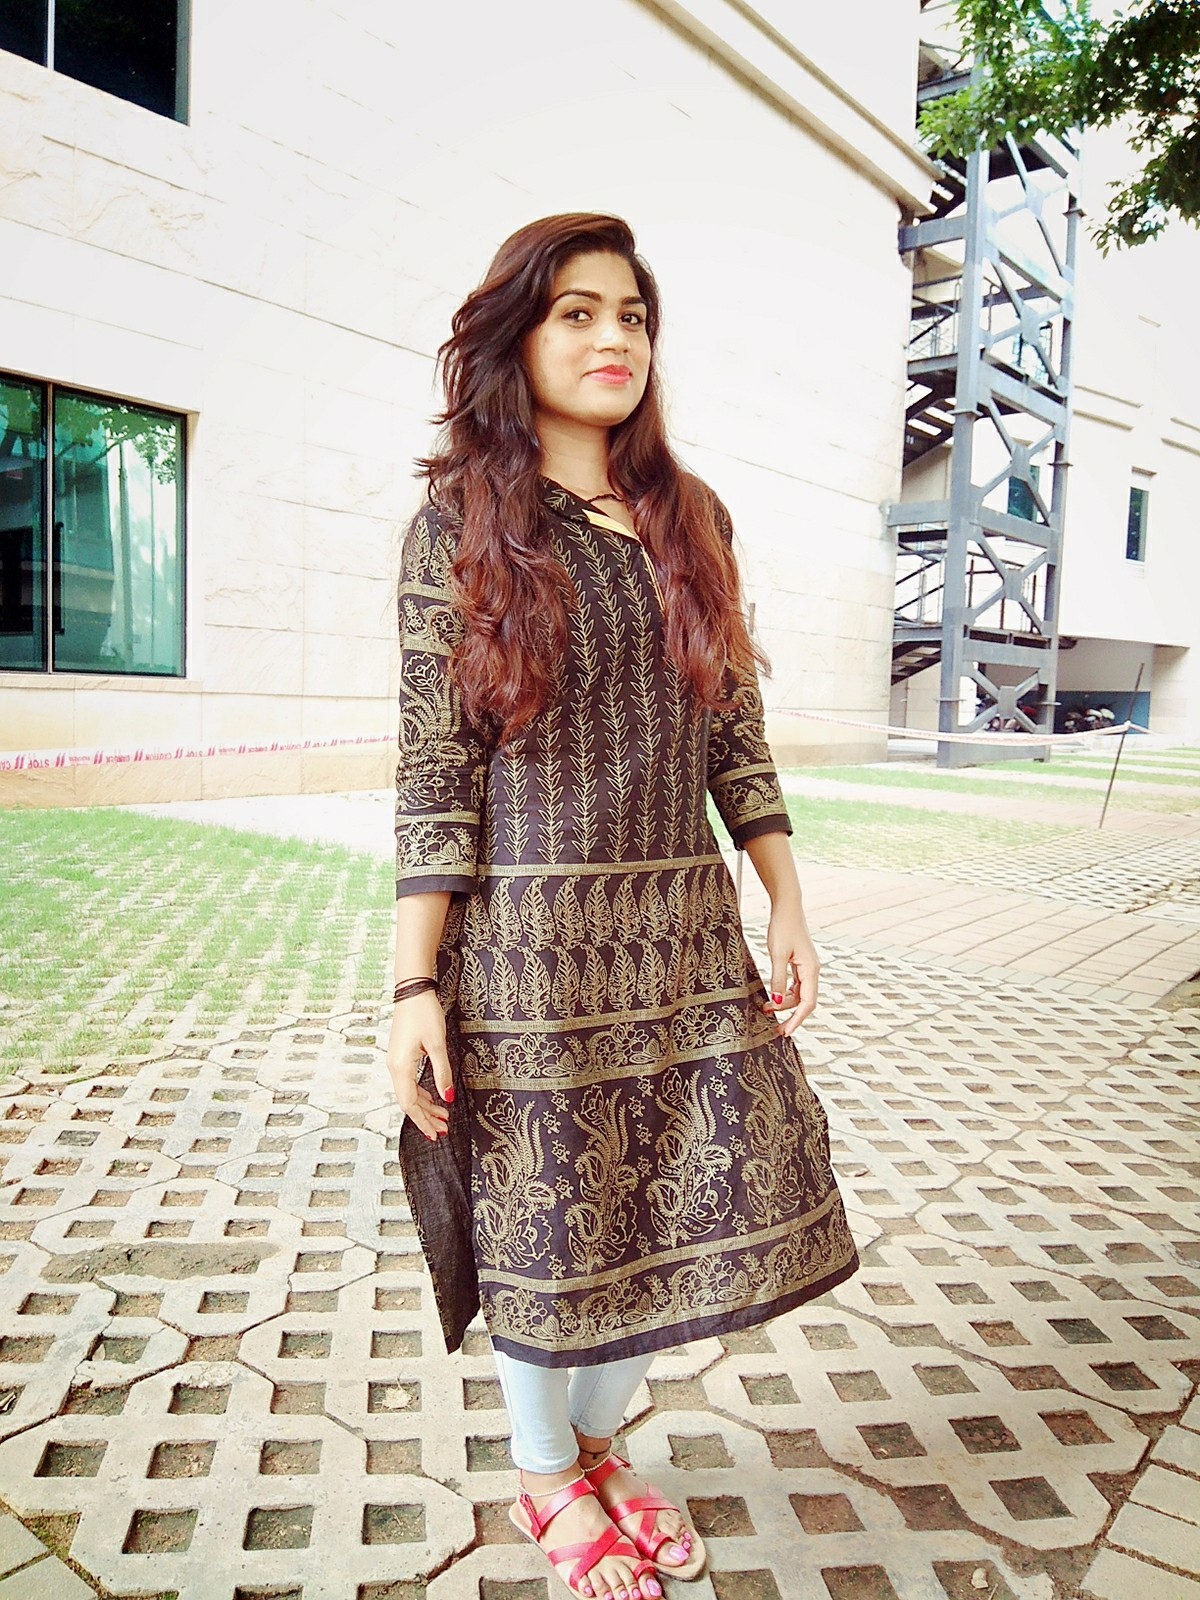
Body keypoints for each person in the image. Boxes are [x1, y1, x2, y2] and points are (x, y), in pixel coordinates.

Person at [387, 213, 858, 1600]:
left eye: (633, 316)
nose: (613, 340)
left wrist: (785, 900)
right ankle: (549, 1476)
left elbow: (735, 732)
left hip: (688, 939)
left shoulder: (688, 517)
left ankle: (599, 1448)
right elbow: (435, 765)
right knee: (552, 1228)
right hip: (528, 954)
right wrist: (414, 987)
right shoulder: (462, 524)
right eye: (577, 312)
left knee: (688, 1201)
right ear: (518, 339)